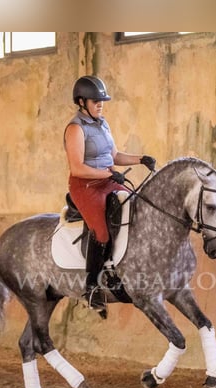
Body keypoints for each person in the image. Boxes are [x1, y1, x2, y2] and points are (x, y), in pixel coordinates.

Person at [64, 75, 156, 316]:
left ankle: (120, 267)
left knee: (135, 209)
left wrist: (140, 159)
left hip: (108, 179)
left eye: (102, 100)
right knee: (101, 231)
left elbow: (114, 156)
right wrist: (106, 176)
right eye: (96, 100)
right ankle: (92, 287)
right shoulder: (75, 128)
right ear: (82, 102)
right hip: (86, 186)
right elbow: (77, 168)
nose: (100, 104)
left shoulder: (102, 124)